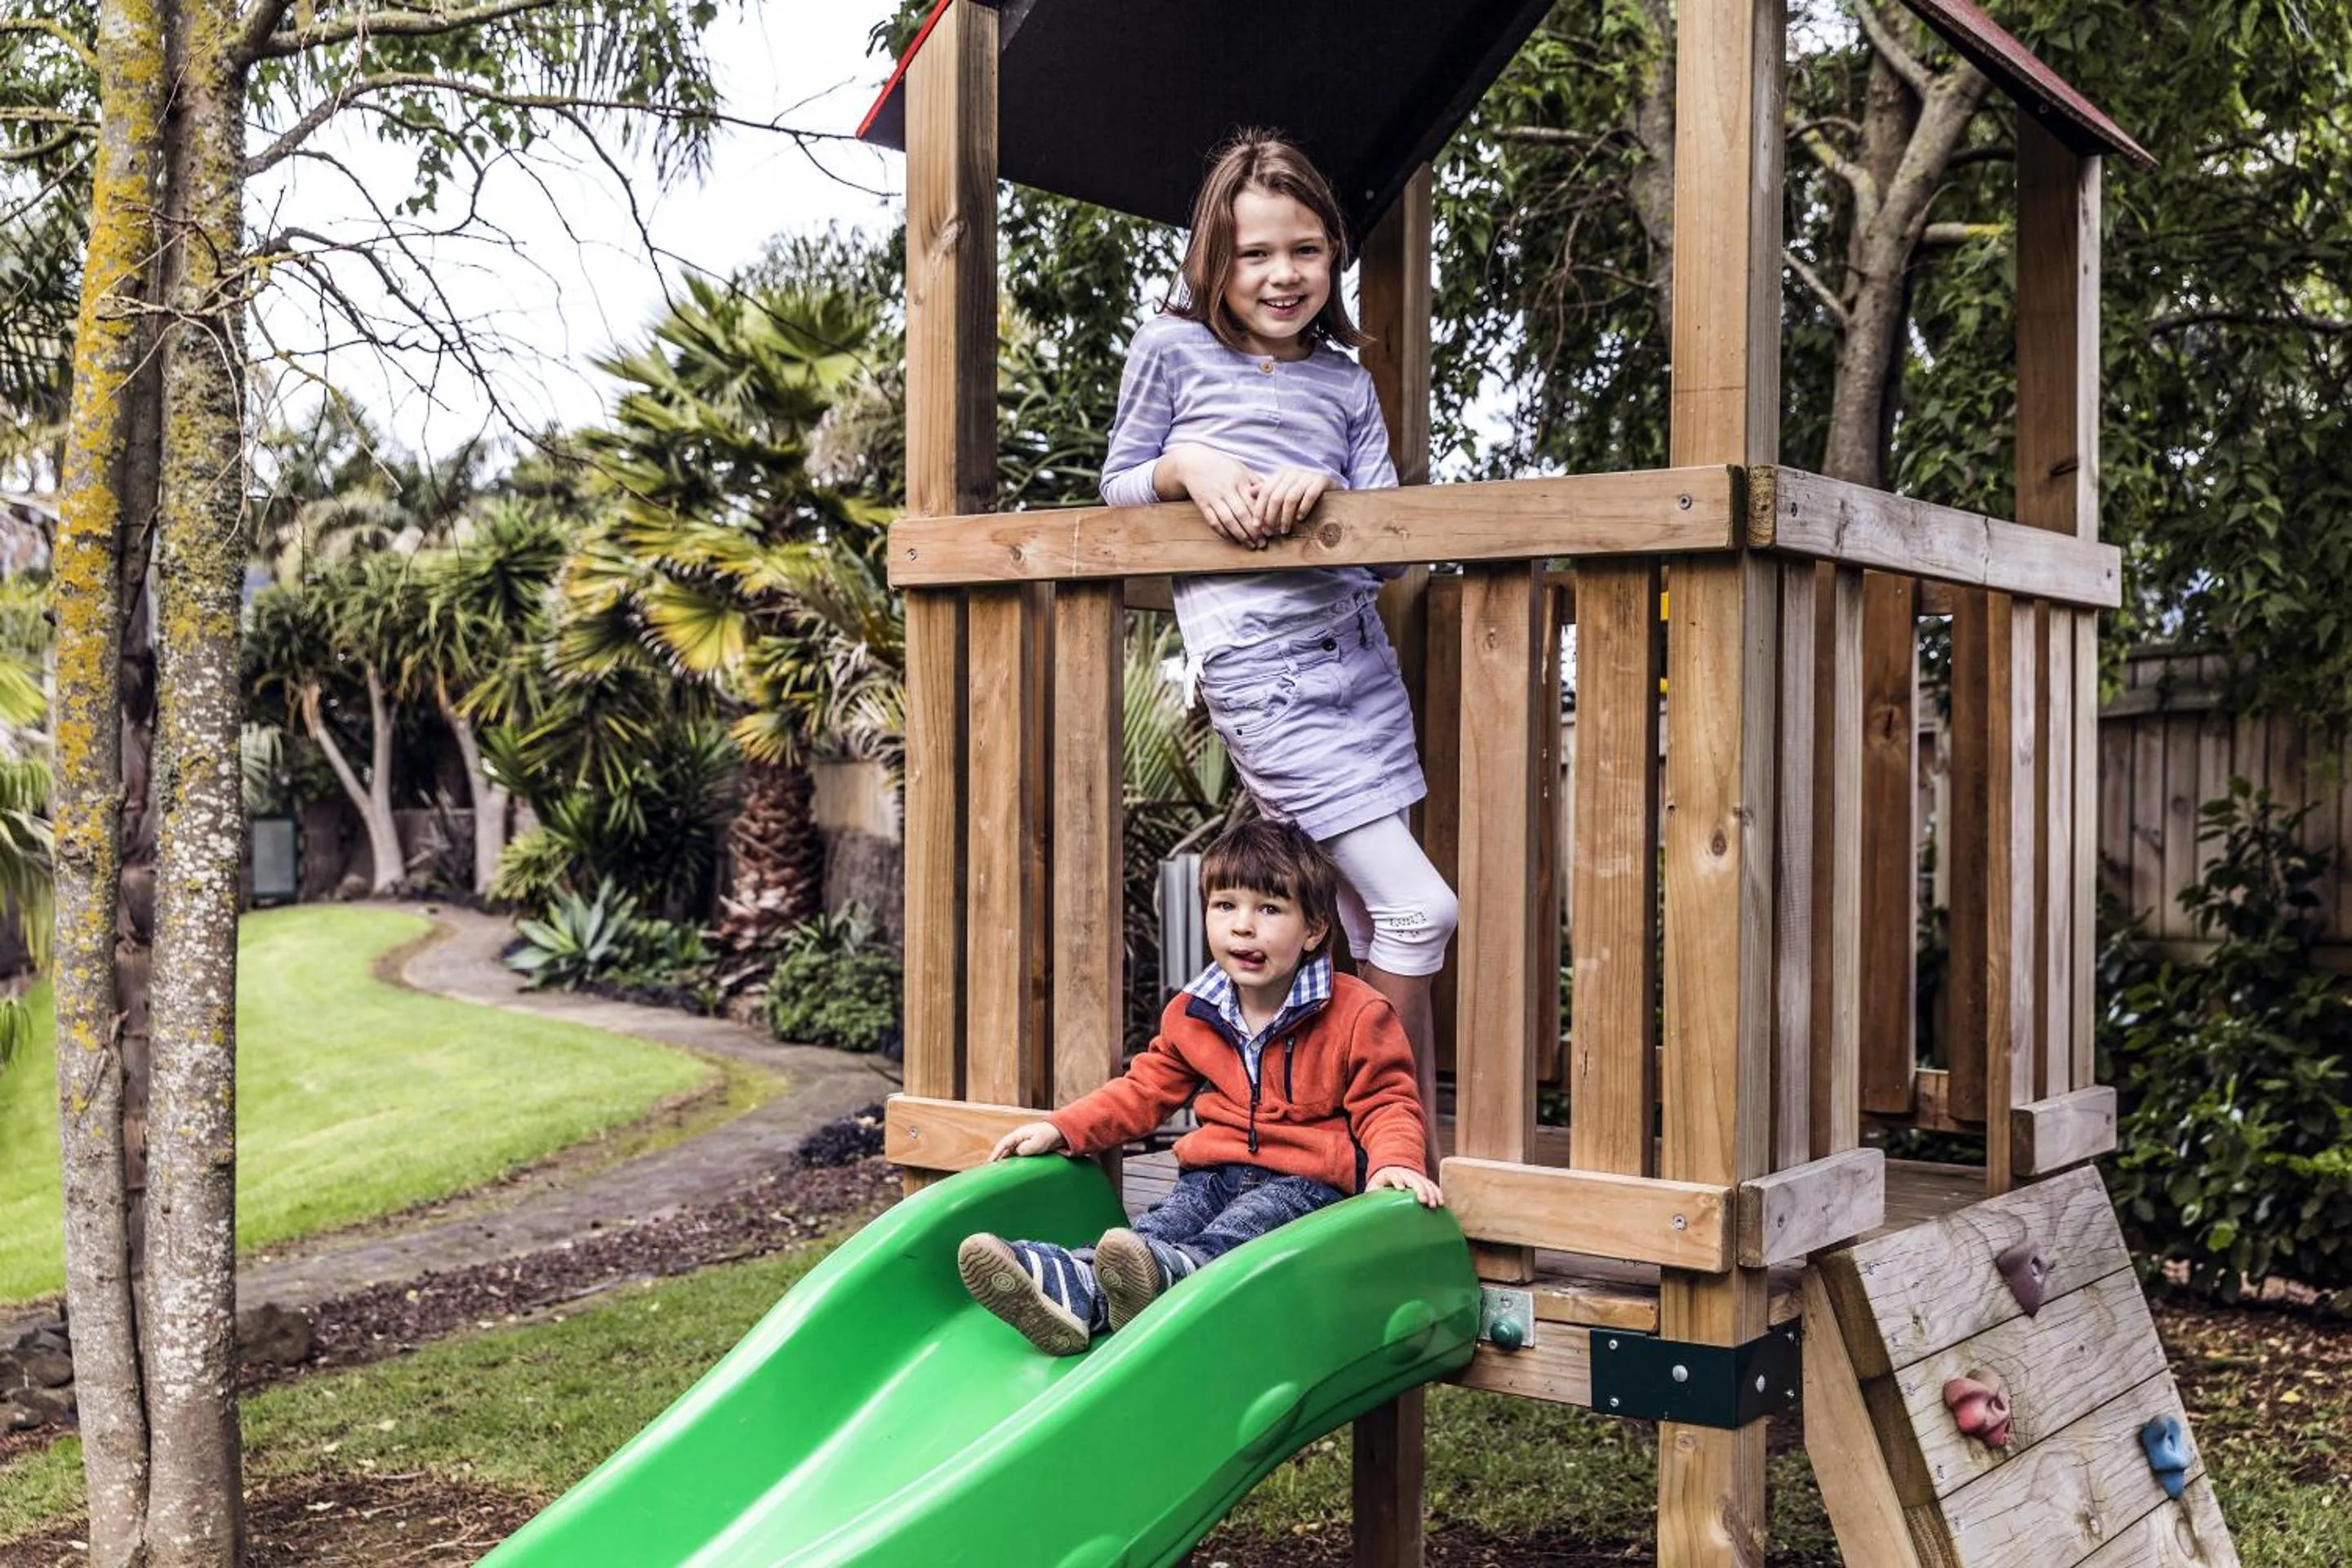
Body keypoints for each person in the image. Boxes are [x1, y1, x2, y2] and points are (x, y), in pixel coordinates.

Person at [1098, 130, 1456, 1159]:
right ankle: (1387, 1149)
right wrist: (1186, 468)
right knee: (1421, 908)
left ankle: (1385, 1152)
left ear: (1333, 253)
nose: (1281, 275)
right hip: (1262, 673)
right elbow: (1120, 480)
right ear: (1215, 259)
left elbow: (1389, 546)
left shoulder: (1345, 383)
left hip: (1360, 670)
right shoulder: (1173, 352)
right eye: (1255, 254)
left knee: (1363, 914)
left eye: (1304, 250)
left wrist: (1333, 501)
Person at [958, 820, 1443, 1356]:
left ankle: (1168, 1279)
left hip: (1306, 1187)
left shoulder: (1355, 1013)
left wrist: (1395, 1162)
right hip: (1210, 1175)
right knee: (1156, 1228)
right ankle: (1072, 1285)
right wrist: (1062, 1127)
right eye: (1225, 906)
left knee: (1243, 1231)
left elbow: (1388, 1100)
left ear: (1314, 929)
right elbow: (1141, 1091)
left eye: (1270, 909)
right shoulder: (1194, 1012)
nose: (1243, 927)